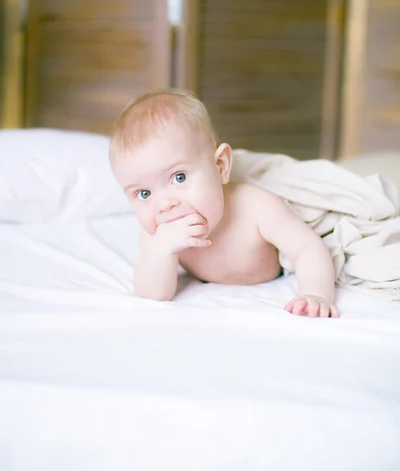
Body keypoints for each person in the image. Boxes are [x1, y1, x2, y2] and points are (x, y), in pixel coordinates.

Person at [110, 91, 339, 318]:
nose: (165, 204)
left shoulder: (255, 206)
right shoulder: (158, 232)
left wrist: (315, 294)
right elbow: (152, 294)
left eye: (179, 177)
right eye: (143, 193)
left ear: (220, 166)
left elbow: (307, 248)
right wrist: (161, 250)